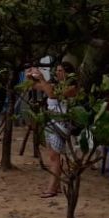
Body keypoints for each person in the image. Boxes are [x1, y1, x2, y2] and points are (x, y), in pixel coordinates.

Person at [26, 62, 77, 198]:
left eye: (61, 71)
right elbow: (36, 86)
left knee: (55, 156)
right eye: (57, 71)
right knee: (53, 156)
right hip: (51, 123)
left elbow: (52, 94)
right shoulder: (56, 85)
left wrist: (42, 78)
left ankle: (51, 188)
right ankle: (57, 185)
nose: (58, 73)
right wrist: (30, 76)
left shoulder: (72, 88)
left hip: (61, 124)